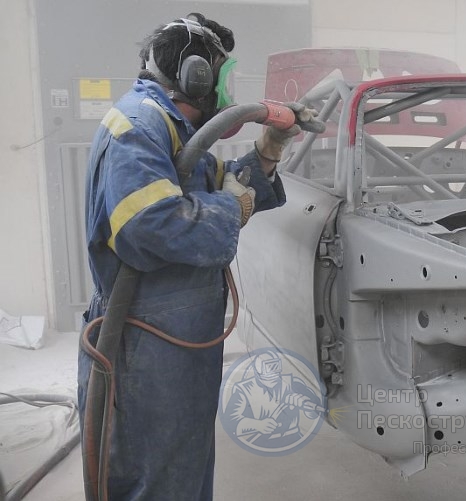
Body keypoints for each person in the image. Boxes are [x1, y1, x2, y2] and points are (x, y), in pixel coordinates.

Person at [77, 13, 313, 500]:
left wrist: (268, 150)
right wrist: (232, 205)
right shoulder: (138, 126)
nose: (227, 93)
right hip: (144, 338)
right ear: (196, 76)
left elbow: (213, 182)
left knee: (181, 469)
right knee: (157, 477)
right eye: (223, 75)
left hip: (172, 337)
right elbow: (151, 224)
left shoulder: (172, 126)